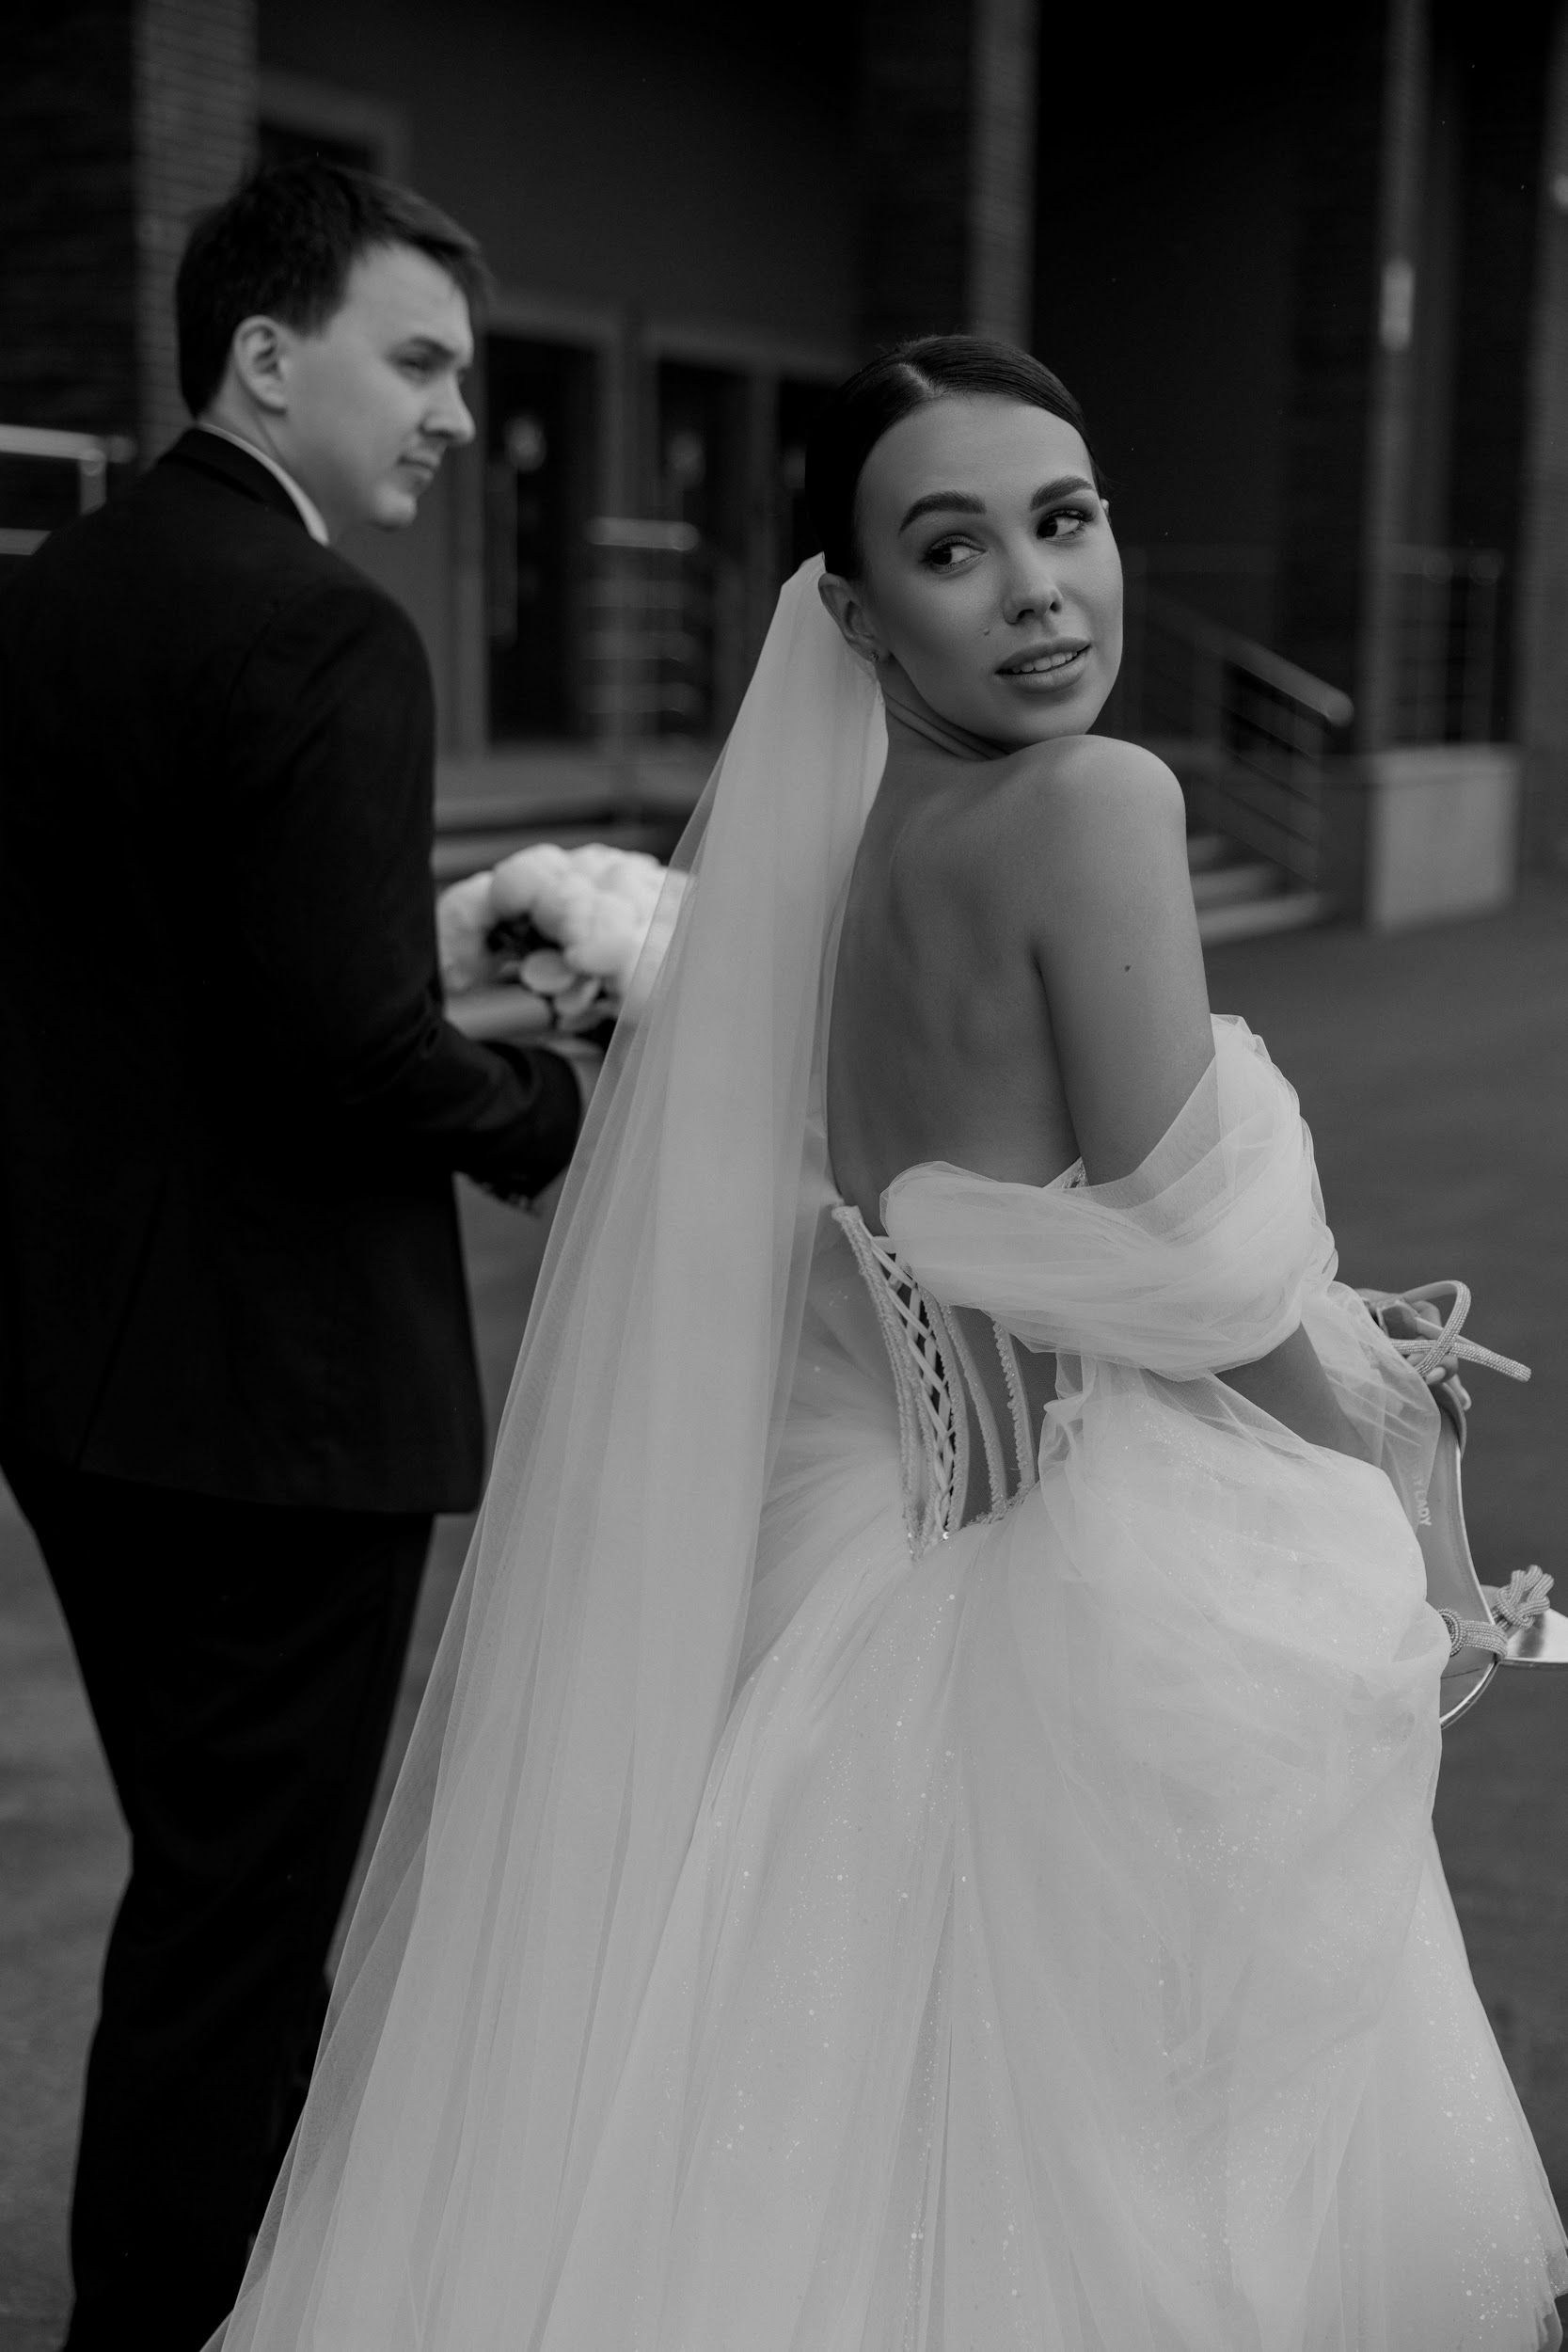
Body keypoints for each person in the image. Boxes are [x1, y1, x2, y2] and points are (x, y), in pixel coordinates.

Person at [212, 339, 1567, 2351]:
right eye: (954, 548)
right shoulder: (1094, 801)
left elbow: (977, 1221)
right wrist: (1374, 1446)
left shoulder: (848, 858)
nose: (1038, 589)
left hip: (892, 1569)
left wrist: (1308, 1327)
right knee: (1156, 2169)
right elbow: (1192, 1261)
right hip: (1090, 1585)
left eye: (1066, 520)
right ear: (853, 613)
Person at [0, 164, 588, 2350]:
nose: (454, 414)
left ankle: (237, 2276)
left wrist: (409, 976)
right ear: (268, 355)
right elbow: (348, 1055)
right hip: (279, 1413)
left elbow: (157, 969)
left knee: (207, 1879)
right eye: (416, 360)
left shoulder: (47, 598)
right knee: (239, 1921)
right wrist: (559, 1111)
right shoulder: (333, 629)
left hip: (71, 1378)